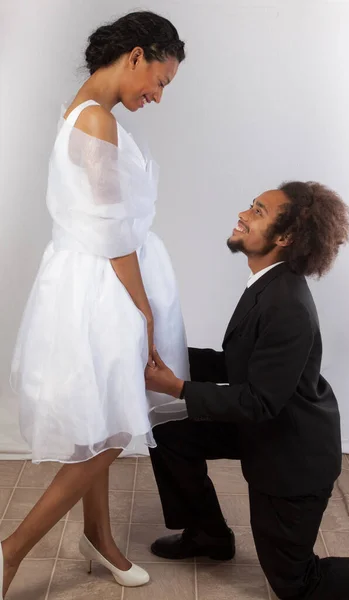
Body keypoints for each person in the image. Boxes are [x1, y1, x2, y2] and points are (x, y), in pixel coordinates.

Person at [1, 10, 189, 598]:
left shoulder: (81, 113)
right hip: (103, 286)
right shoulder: (98, 124)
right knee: (109, 433)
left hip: (82, 278)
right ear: (135, 54)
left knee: (99, 421)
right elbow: (112, 235)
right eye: (160, 79)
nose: (158, 95)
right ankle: (9, 553)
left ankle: (99, 536)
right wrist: (146, 313)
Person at [145, 181, 349, 600]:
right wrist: (175, 357)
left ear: (285, 238)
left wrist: (177, 387)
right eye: (251, 205)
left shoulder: (286, 305)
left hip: (292, 454)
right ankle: (209, 535)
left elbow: (258, 401)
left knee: (295, 584)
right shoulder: (267, 284)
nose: (244, 214)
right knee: (170, 435)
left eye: (258, 211)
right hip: (267, 426)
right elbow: (244, 365)